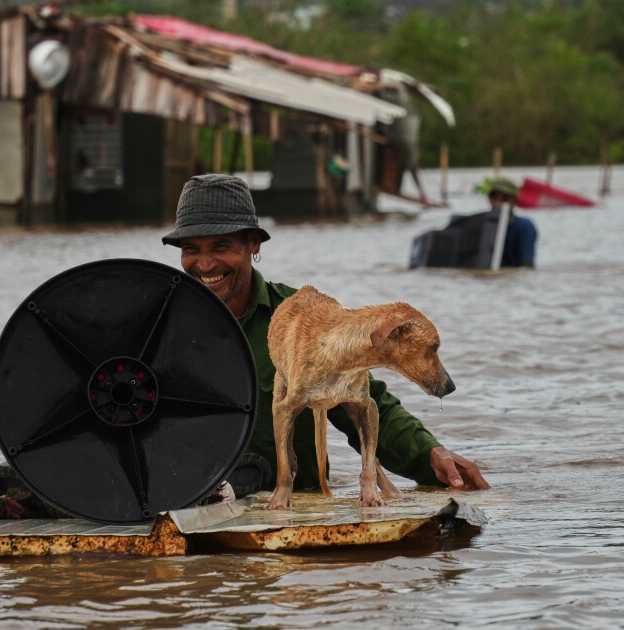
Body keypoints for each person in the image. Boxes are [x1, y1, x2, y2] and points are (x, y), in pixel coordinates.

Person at [164, 174, 488, 496]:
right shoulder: (159, 329)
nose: (205, 264)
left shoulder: (305, 321)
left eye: (221, 247)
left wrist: (431, 454)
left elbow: (369, 404)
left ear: (253, 244)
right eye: (191, 249)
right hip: (195, 502)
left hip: (293, 517)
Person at [484, 178, 537, 268]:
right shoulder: (482, 225)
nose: (498, 203)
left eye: (504, 199)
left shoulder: (524, 227)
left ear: (514, 201)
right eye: (494, 197)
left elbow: (527, 266)